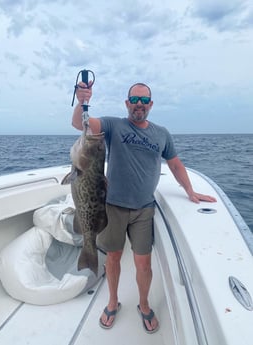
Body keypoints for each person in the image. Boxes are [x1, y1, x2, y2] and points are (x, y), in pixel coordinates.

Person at [71, 81, 216, 334]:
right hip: (113, 207)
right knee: (113, 258)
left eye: (144, 100)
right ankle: (113, 301)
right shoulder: (114, 126)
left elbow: (175, 164)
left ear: (150, 104)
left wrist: (190, 191)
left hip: (143, 210)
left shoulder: (162, 134)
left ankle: (144, 304)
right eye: (134, 100)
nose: (139, 105)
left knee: (144, 264)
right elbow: (80, 125)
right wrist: (81, 100)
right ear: (127, 103)